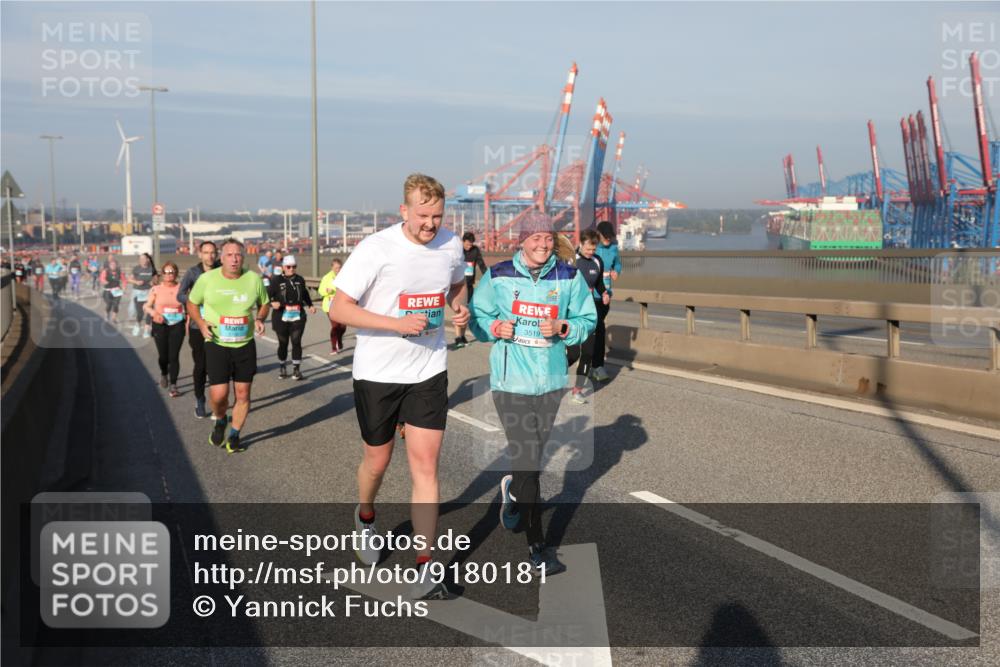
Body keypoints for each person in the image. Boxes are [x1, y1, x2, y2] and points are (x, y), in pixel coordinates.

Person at [330, 173, 468, 599]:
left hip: (427, 369)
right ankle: (366, 516)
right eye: (423, 215)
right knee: (378, 461)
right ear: (404, 211)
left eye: (437, 216)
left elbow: (458, 282)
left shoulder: (450, 244)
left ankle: (426, 566)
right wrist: (396, 323)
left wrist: (459, 308)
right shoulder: (376, 248)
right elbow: (339, 308)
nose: (430, 224)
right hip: (377, 373)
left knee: (425, 467)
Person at [469, 211, 596, 576]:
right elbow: (478, 317)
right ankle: (537, 547)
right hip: (510, 383)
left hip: (551, 381)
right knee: (529, 463)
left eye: (547, 238)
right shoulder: (500, 275)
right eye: (535, 237)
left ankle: (513, 495)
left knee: (531, 460)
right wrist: (494, 325)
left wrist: (564, 325)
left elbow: (589, 321)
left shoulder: (569, 276)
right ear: (521, 240)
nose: (542, 244)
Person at [186, 238, 269, 453]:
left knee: (242, 394)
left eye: (238, 255)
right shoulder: (207, 279)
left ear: (243, 257)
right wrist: (202, 323)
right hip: (216, 343)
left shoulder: (253, 279)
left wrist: (259, 318)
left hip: (244, 344)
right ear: (221, 258)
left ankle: (234, 436)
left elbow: (265, 302)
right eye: (230, 255)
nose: (234, 259)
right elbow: (191, 302)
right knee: (219, 396)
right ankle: (221, 419)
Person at [565, 229, 609, 404]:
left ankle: (577, 391)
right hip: (571, 313)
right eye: (588, 249)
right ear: (581, 244)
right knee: (574, 354)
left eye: (594, 249)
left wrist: (604, 293)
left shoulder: (597, 261)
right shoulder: (571, 260)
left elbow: (598, 284)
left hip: (589, 312)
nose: (591, 252)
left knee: (588, 353)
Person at [178, 241, 220, 418]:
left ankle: (218, 401)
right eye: (206, 252)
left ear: (216, 254)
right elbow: (180, 295)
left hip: (219, 326)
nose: (209, 256)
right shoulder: (193, 273)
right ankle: (200, 400)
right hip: (197, 326)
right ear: (200, 255)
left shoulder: (222, 271)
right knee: (201, 366)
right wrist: (194, 299)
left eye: (212, 253)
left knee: (217, 367)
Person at [268, 255, 315, 380]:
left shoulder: (300, 279)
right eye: (288, 267)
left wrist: (310, 305)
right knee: (283, 343)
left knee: (296, 341)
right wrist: (272, 303)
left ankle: (296, 369)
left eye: (294, 267)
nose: (291, 269)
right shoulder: (276, 280)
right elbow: (267, 296)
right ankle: (282, 366)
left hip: (298, 315)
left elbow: (304, 293)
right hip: (281, 316)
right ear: (283, 267)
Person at [144, 261, 186, 397]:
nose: (169, 275)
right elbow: (146, 306)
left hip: (177, 324)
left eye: (172, 272)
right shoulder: (156, 289)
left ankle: (173, 385)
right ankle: (164, 373)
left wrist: (189, 319)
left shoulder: (182, 288)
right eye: (166, 272)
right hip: (160, 325)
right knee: (163, 356)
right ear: (162, 274)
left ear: (176, 274)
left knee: (174, 356)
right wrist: (154, 314)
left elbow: (190, 305)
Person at [592, 221, 621, 382]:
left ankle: (591, 364)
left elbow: (618, 264)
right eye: (606, 237)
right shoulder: (592, 248)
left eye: (610, 237)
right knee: (600, 329)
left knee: (596, 330)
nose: (608, 240)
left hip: (606, 296)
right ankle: (597, 366)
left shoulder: (614, 249)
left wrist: (616, 271)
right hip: (590, 297)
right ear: (599, 234)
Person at [453, 232, 487, 348]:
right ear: (463, 242)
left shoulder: (475, 251)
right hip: (458, 286)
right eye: (467, 244)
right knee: (459, 311)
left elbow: (481, 264)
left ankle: (462, 336)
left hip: (469, 285)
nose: (469, 246)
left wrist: (488, 277)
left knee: (466, 312)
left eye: (471, 244)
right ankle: (458, 337)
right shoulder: (457, 250)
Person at [319, 258, 346, 354]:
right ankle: (334, 347)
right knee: (335, 326)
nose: (338, 270)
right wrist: (327, 291)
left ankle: (339, 339)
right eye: (336, 268)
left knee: (342, 327)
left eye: (339, 268)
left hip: (342, 305)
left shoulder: (345, 276)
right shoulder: (327, 278)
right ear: (332, 267)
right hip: (330, 305)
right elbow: (320, 291)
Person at [130, 253, 157, 338]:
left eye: (144, 259)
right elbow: (129, 279)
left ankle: (146, 330)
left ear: (147, 259)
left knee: (149, 311)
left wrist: (153, 282)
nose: (142, 261)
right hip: (138, 293)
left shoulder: (152, 269)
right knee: (140, 313)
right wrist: (136, 282)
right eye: (140, 259)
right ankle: (137, 325)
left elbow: (156, 280)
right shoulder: (136, 268)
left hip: (149, 292)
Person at [100, 258, 127, 323]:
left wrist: (124, 287)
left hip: (117, 290)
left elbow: (124, 280)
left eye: (114, 265)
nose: (113, 266)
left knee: (116, 304)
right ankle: (106, 314)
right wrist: (104, 281)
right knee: (109, 303)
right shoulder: (105, 271)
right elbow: (101, 278)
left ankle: (114, 318)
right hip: (107, 290)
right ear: (109, 265)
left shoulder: (119, 271)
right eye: (112, 264)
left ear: (116, 265)